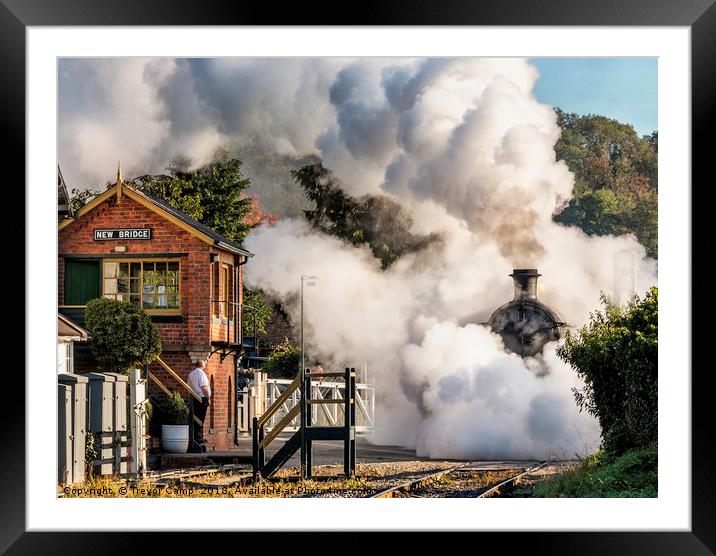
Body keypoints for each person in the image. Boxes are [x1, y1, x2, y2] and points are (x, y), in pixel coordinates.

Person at [187, 359, 211, 451]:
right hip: (201, 398)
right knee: (200, 418)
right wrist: (208, 398)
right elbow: (204, 387)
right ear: (202, 365)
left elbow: (188, 385)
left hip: (193, 398)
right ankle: (196, 437)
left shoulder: (191, 374)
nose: (205, 366)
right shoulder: (201, 374)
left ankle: (195, 436)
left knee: (195, 417)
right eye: (204, 365)